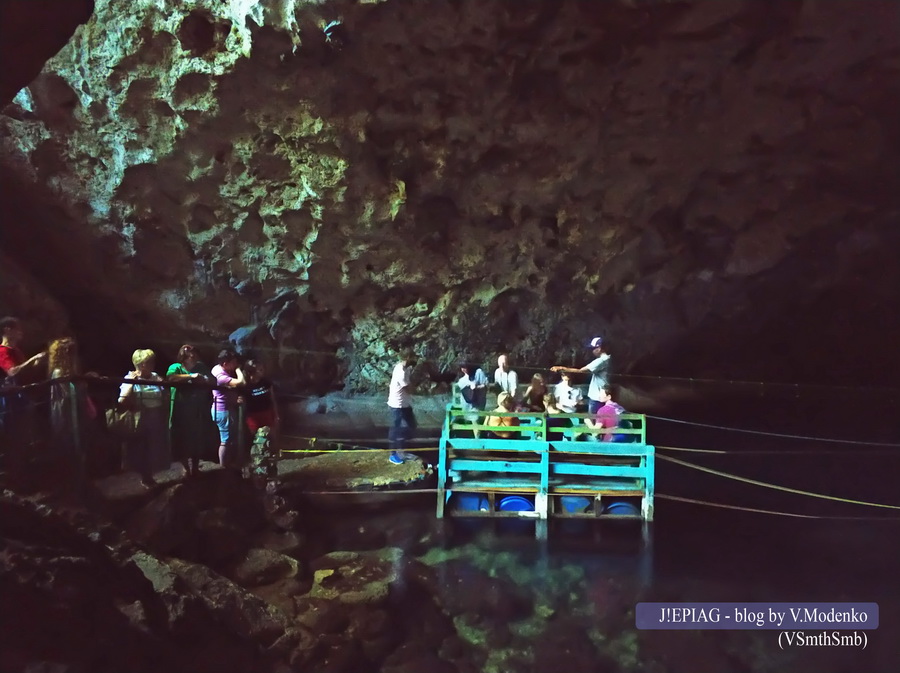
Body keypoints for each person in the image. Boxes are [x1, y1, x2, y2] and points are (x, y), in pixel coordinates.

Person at [118, 349, 170, 487]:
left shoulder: (155, 377)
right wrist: (132, 384)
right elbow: (121, 400)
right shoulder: (131, 377)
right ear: (141, 364)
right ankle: (145, 476)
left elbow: (165, 395)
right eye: (149, 362)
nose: (153, 364)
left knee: (154, 446)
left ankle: (150, 475)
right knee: (142, 448)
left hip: (156, 416)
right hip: (141, 417)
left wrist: (163, 384)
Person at [167, 344, 214, 477]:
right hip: (180, 409)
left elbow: (213, 380)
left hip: (197, 408)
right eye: (189, 353)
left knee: (196, 438)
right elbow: (171, 377)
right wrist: (191, 377)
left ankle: (195, 467)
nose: (192, 355)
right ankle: (186, 467)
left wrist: (205, 379)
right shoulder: (176, 367)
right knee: (181, 438)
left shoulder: (201, 367)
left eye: (193, 353)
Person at [551, 336, 611, 414]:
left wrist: (561, 368)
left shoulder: (601, 361)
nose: (591, 351)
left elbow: (581, 371)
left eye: (592, 349)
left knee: (594, 419)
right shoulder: (609, 359)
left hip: (597, 397)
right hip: (603, 395)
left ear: (599, 348)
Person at [211, 348, 245, 467]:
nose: (235, 364)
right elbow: (240, 382)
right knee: (225, 440)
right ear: (225, 364)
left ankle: (228, 463)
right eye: (233, 362)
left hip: (221, 408)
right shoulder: (221, 377)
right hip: (223, 411)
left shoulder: (216, 368)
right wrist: (238, 369)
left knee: (228, 438)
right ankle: (223, 466)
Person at [387, 350, 418, 464]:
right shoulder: (401, 371)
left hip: (404, 404)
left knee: (411, 426)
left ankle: (403, 451)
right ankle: (394, 455)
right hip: (397, 405)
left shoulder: (404, 368)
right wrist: (418, 393)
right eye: (413, 357)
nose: (415, 359)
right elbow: (408, 388)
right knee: (397, 430)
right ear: (408, 357)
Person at [0, 316, 47, 381]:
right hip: (13, 390)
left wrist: (38, 362)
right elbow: (12, 372)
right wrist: (34, 358)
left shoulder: (16, 350)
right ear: (7, 330)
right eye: (17, 329)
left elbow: (24, 370)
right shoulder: (2, 351)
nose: (20, 332)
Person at [243, 359, 279, 437]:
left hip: (267, 413)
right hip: (253, 416)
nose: (262, 371)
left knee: (270, 436)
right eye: (260, 370)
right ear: (251, 372)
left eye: (262, 369)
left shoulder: (266, 383)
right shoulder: (246, 386)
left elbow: (272, 399)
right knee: (255, 438)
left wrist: (275, 414)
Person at [457, 361, 489, 435]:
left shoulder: (478, 373)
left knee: (477, 421)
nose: (464, 369)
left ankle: (478, 442)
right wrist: (470, 388)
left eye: (465, 367)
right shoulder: (462, 380)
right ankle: (476, 441)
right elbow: (465, 391)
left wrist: (476, 387)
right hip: (468, 406)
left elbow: (486, 386)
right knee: (473, 421)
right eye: (462, 368)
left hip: (478, 404)